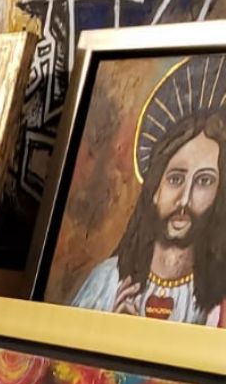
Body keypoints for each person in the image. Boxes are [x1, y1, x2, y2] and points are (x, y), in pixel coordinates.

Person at [71, 110, 226, 324]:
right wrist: (109, 331)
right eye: (175, 179)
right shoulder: (105, 282)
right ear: (155, 189)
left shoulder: (220, 301)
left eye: (204, 181)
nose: (184, 200)